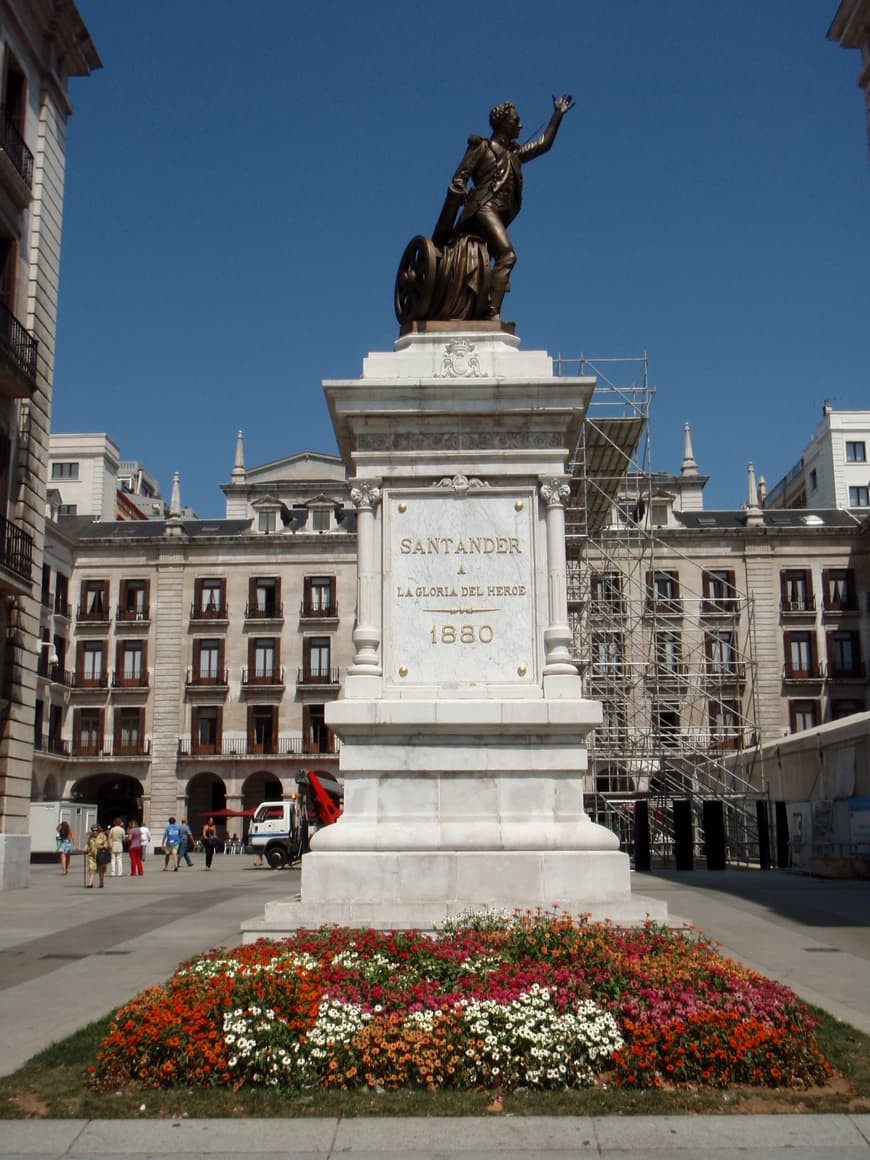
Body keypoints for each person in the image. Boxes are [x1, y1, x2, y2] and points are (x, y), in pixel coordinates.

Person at [432, 94, 574, 320]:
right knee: (507, 255)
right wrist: (462, 194)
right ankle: (492, 313)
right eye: (515, 119)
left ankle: (483, 307)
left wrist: (558, 115)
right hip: (482, 207)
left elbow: (543, 144)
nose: (520, 124)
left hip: (497, 213)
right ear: (503, 123)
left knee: (496, 260)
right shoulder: (482, 147)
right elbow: (459, 178)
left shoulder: (514, 155)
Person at [85, 823, 109, 888]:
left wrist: (101, 846)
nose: (94, 832)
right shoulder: (91, 837)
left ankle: (101, 882)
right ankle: (90, 883)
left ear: (99, 830)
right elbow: (87, 844)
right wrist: (85, 849)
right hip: (91, 855)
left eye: (96, 830)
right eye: (93, 830)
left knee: (101, 870)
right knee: (91, 868)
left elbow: (106, 845)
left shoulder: (103, 836)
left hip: (100, 855)